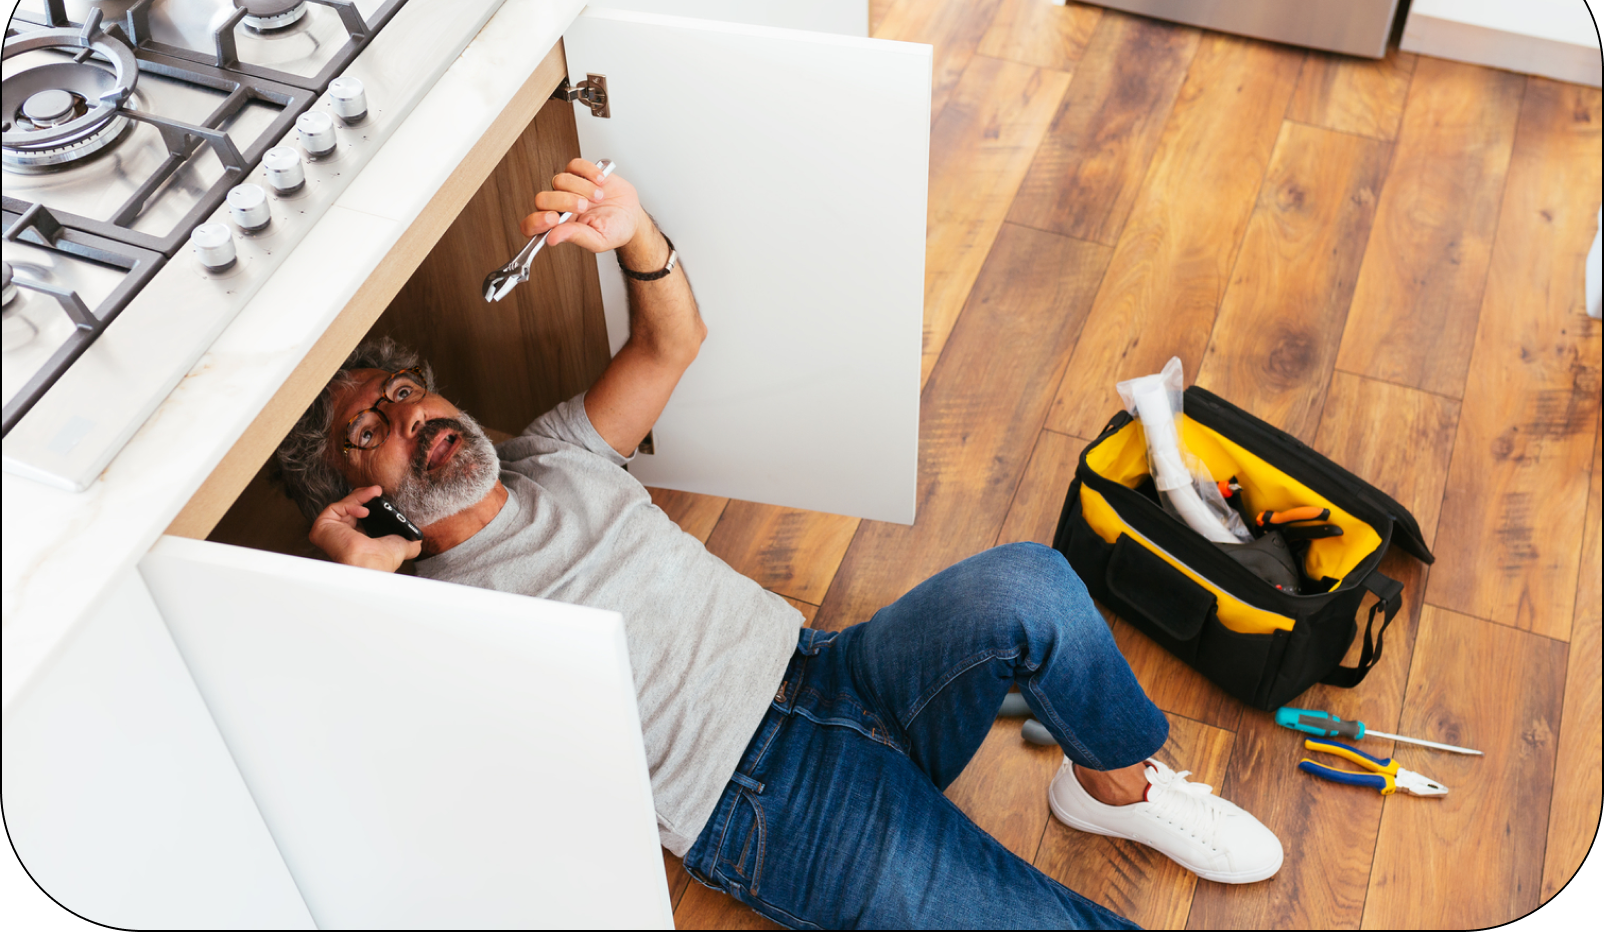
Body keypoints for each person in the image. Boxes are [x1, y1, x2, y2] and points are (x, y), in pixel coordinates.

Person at [275, 160, 1283, 929]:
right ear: (364, 497)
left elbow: (671, 343)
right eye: (369, 432)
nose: (408, 417)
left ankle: (1112, 787)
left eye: (405, 393)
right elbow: (435, 780)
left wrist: (635, 234)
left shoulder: (552, 450)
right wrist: (360, 599)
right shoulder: (430, 610)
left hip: (830, 668)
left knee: (1028, 580)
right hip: (763, 801)